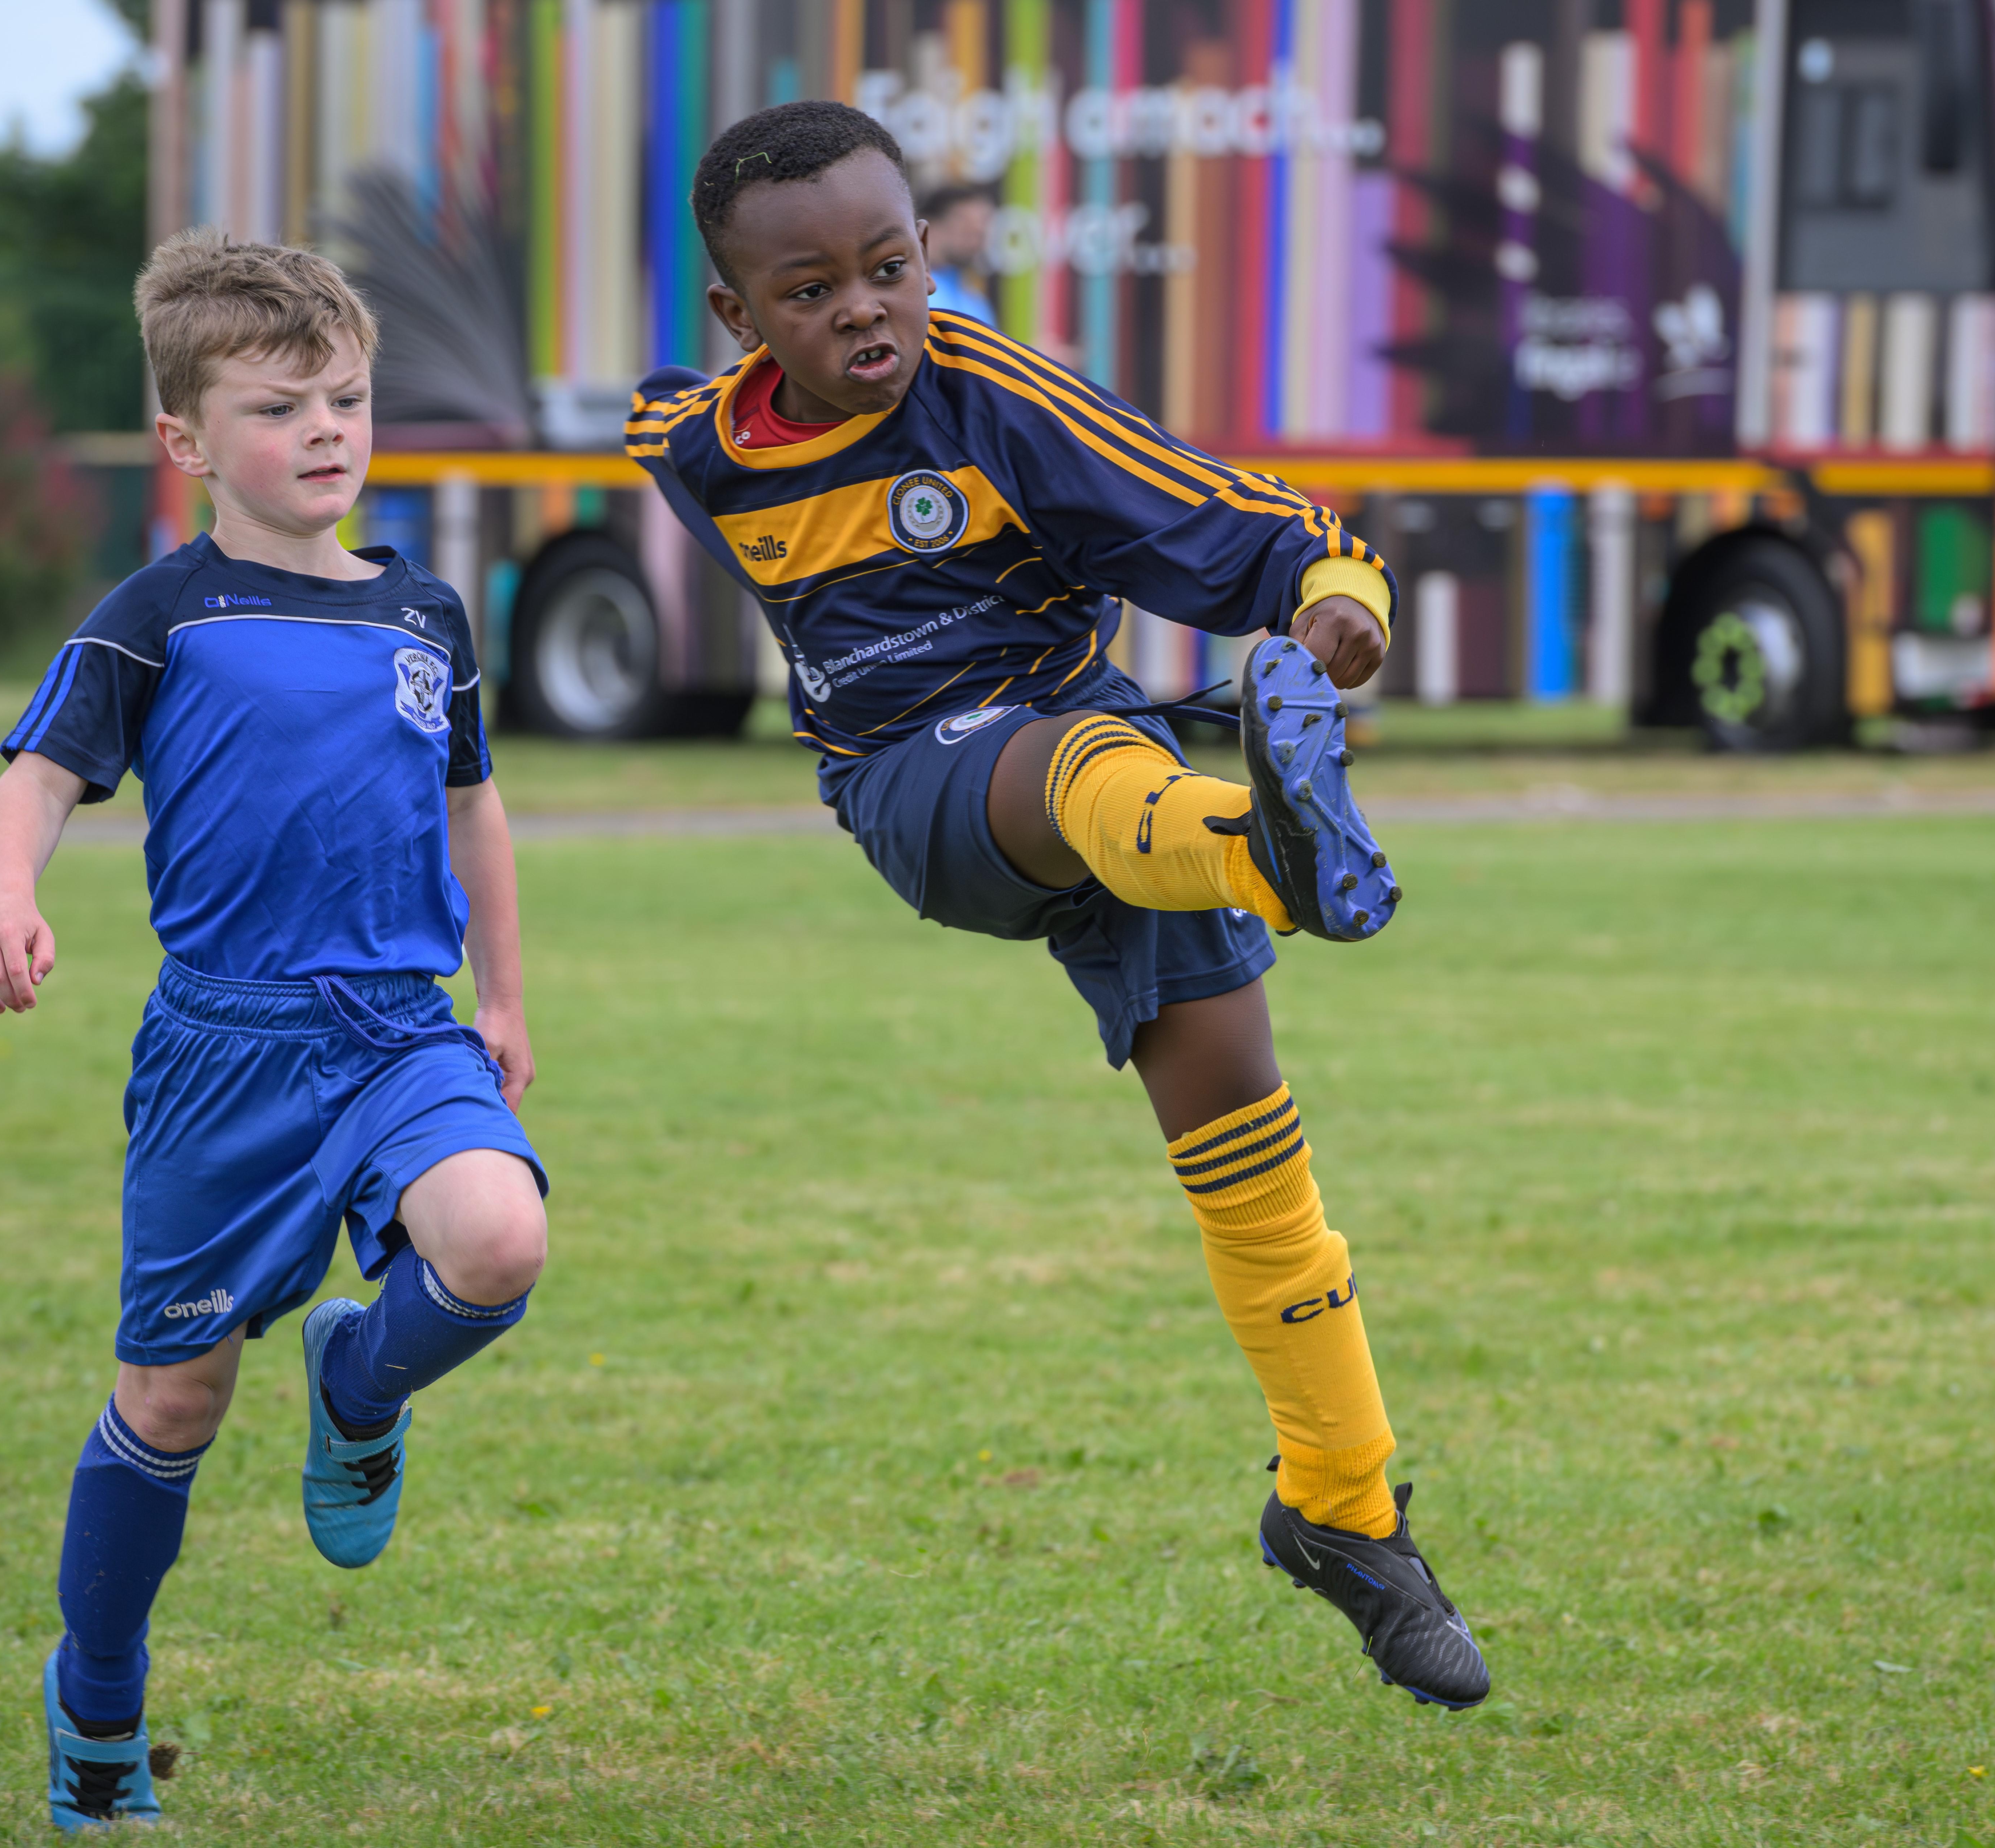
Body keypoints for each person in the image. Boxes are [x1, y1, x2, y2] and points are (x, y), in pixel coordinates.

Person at [626, 101, 1488, 1710]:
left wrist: (1337, 607)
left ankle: (1345, 1510)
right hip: (919, 783)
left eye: (890, 266)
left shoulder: (993, 394)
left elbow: (1238, 519)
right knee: (1090, 748)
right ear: (739, 318)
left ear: (929, 255)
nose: (864, 308)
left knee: (1250, 1151)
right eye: (811, 292)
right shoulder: (687, 439)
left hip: (1114, 787)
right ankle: (1271, 845)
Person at [0, 227, 549, 1832]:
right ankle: (97, 1701)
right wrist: (5, 890)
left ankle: (363, 1377)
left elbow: (475, 810)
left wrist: (499, 997)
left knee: (497, 1237)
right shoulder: (163, 610)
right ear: (187, 441)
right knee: (175, 1400)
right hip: (226, 1052)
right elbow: (37, 774)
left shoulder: (426, 612)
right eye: (282, 407)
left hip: (399, 1029)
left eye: (346, 398)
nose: (326, 432)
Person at [917, 180, 1000, 324]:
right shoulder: (913, 296)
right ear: (929, 226)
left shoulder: (976, 303)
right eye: (965, 225)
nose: (976, 239)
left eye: (982, 228)